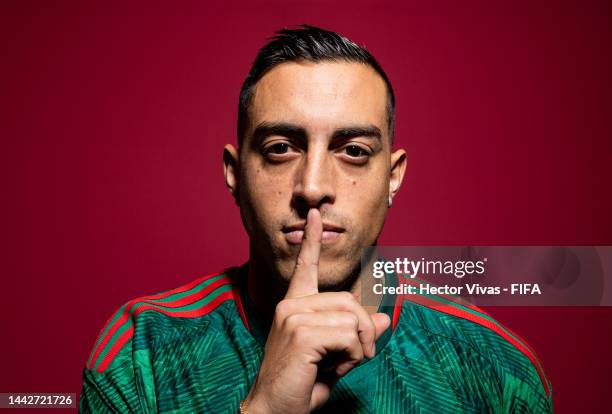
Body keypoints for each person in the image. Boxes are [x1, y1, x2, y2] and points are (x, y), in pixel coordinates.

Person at [79, 25, 552, 413]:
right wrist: (265, 409)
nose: (312, 186)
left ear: (393, 177)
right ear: (235, 174)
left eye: (353, 151)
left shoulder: (493, 369)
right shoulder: (142, 355)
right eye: (280, 149)